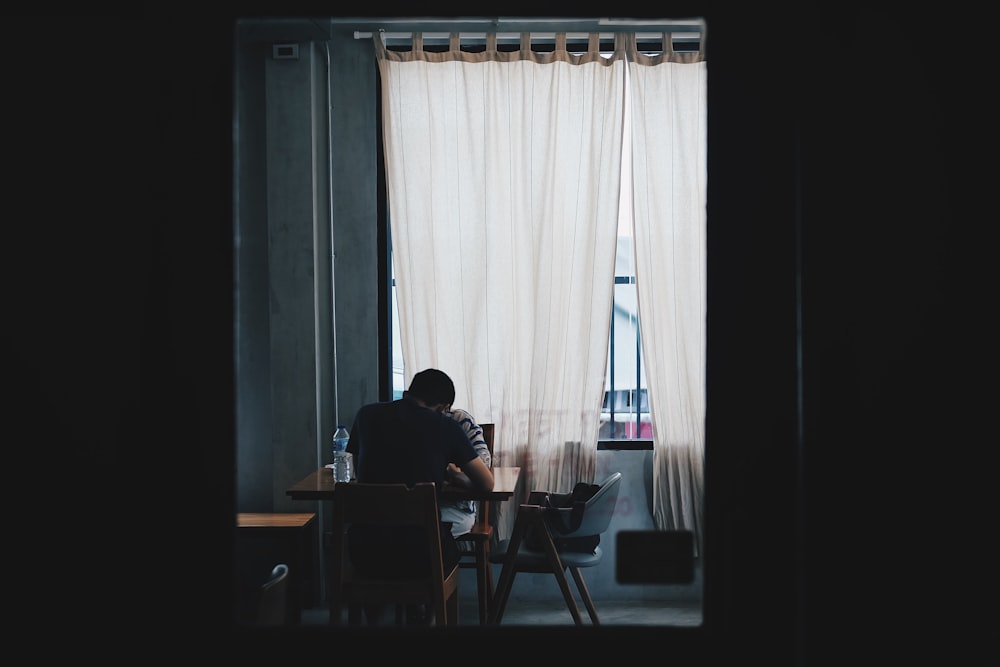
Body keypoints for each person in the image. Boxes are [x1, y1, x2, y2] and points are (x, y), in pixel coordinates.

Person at [345, 368, 493, 624]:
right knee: (440, 540)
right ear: (443, 406)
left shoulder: (366, 415)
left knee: (385, 536)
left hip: (365, 554)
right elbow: (487, 484)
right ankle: (429, 620)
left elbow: (359, 472)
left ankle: (374, 622)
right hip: (423, 557)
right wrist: (456, 476)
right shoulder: (445, 426)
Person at [441, 406, 491, 538]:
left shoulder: (457, 421)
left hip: (455, 507)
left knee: (428, 530)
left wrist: (454, 473)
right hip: (415, 506)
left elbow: (484, 463)